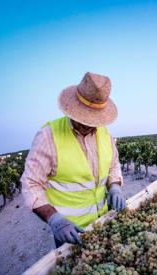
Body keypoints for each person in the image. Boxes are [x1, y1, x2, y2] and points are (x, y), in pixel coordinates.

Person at [22, 72, 126, 248]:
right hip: (70, 230)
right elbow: (31, 184)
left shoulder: (105, 135)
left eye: (93, 120)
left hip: (104, 221)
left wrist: (115, 186)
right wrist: (54, 219)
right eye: (83, 118)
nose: (87, 125)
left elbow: (113, 165)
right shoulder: (48, 136)